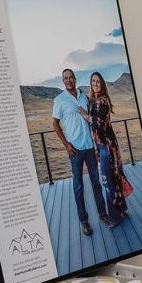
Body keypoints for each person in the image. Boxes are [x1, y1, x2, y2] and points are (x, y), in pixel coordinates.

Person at [50, 67, 106, 237]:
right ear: (63, 81)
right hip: (74, 149)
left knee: (96, 182)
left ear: (75, 79)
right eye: (65, 78)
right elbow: (55, 124)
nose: (68, 80)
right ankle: (84, 221)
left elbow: (91, 119)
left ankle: (103, 213)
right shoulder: (59, 100)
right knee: (78, 186)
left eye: (71, 77)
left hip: (89, 147)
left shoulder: (84, 97)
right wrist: (67, 145)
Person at [86, 71, 129, 228]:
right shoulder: (94, 100)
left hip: (106, 147)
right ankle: (121, 208)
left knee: (106, 181)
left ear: (102, 83)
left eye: (98, 81)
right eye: (93, 81)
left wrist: (85, 115)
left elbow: (97, 122)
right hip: (102, 146)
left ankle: (115, 217)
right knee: (112, 177)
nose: (95, 83)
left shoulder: (102, 101)